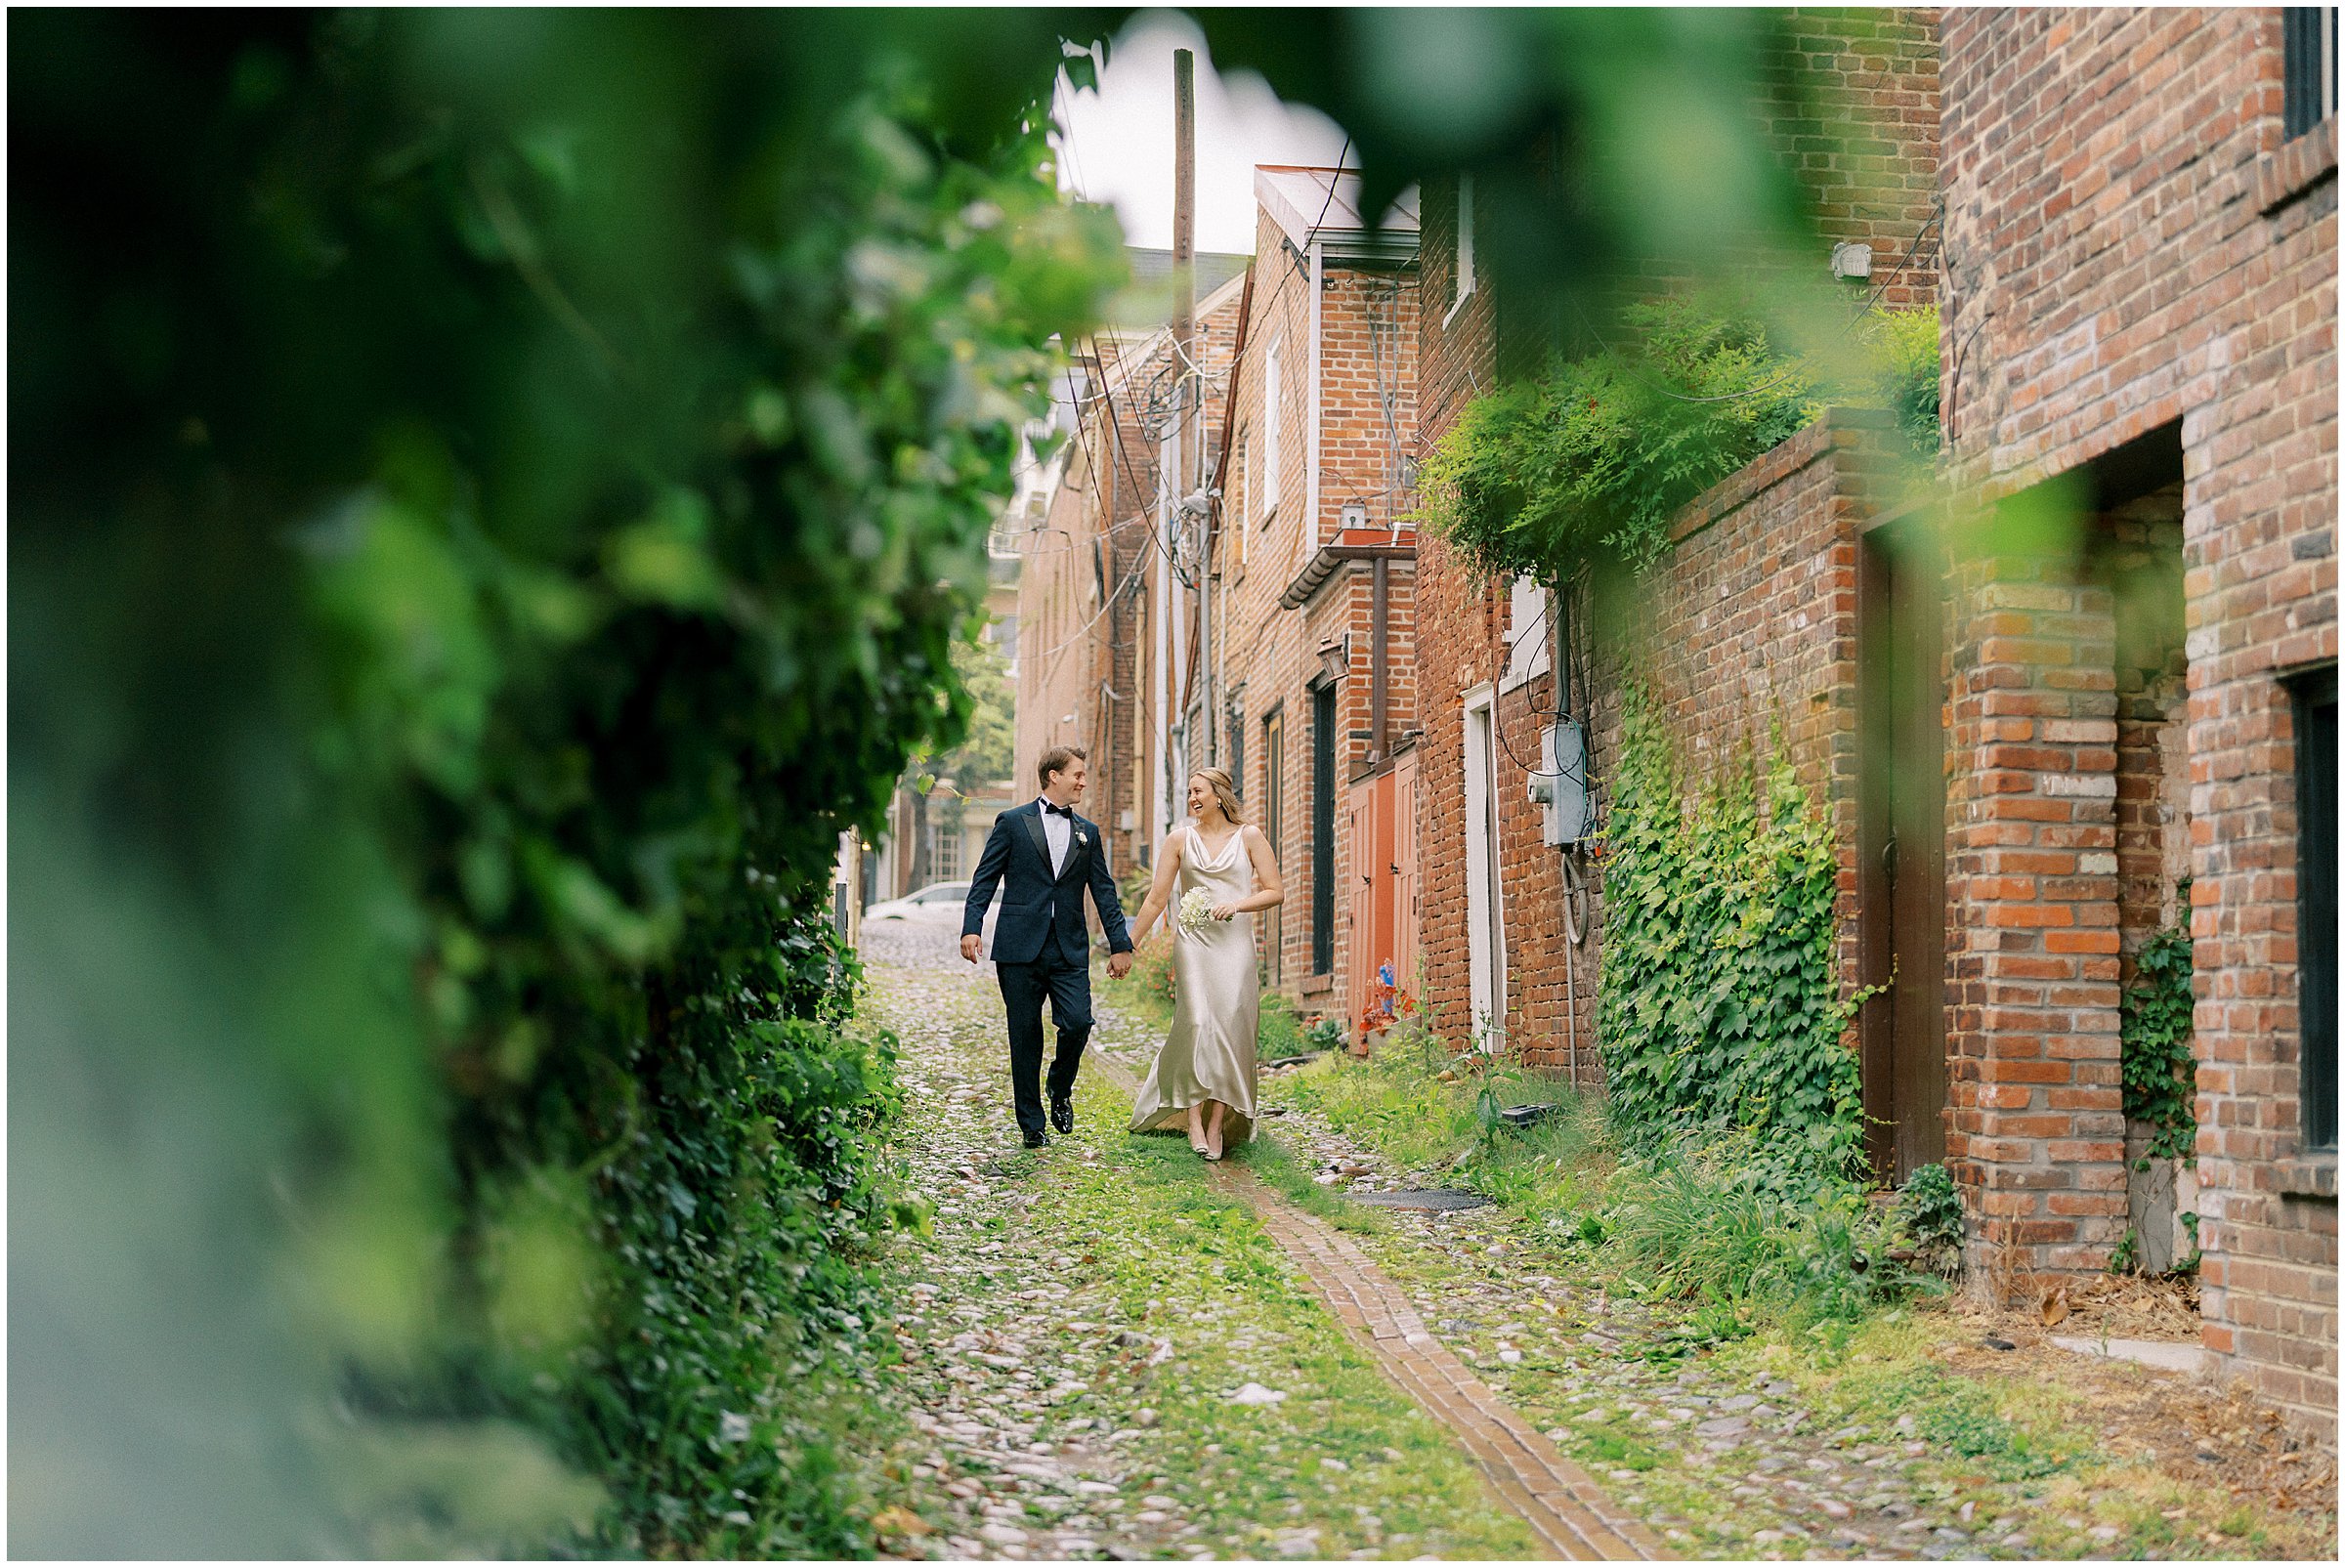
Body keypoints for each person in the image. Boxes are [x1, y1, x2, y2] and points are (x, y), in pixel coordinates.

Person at [962, 745, 1133, 1149]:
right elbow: (984, 880)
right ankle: (1031, 1124)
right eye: (1077, 774)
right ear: (1053, 775)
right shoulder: (1011, 822)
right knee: (1024, 1036)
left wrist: (1120, 944)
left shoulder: (1087, 833)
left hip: (1068, 949)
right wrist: (972, 928)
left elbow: (1104, 892)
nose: (1083, 781)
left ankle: (1059, 1085)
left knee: (1078, 1023)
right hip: (1019, 948)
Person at [1123, 768, 1285, 1161]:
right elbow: (1156, 900)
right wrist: (1128, 945)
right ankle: (1193, 1119)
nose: (1193, 798)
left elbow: (1275, 891)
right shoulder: (1180, 840)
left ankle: (1216, 1126)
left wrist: (1238, 904)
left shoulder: (1249, 837)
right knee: (1195, 1023)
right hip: (1193, 941)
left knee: (1230, 1028)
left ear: (1219, 794)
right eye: (1190, 792)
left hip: (1234, 945)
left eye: (1198, 791)